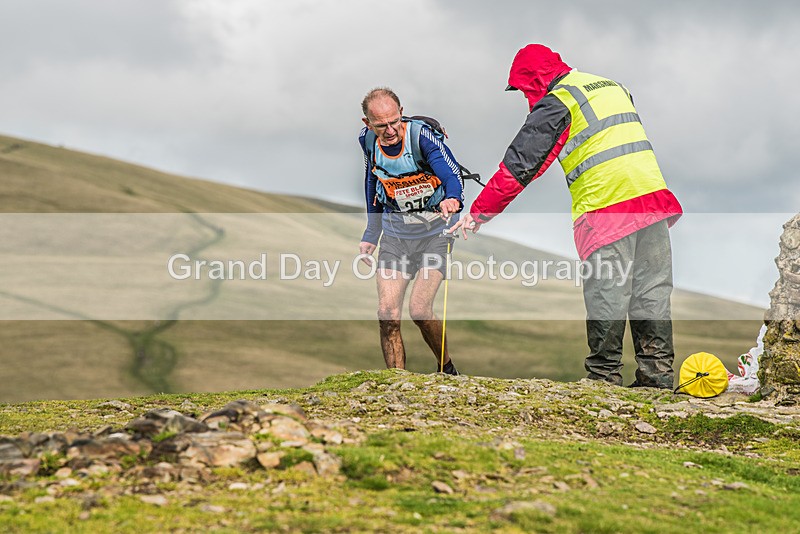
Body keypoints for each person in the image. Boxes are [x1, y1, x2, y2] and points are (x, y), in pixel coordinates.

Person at [450, 44, 683, 389]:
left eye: (523, 90)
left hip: (606, 204)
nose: (525, 98)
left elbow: (521, 164)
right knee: (651, 292)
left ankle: (604, 379)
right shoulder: (612, 86)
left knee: (607, 292)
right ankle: (656, 378)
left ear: (532, 80)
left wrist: (479, 212)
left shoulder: (558, 100)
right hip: (652, 199)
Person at [358, 87, 464, 375]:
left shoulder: (421, 137)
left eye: (394, 121)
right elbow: (372, 183)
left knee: (419, 310)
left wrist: (453, 198)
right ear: (368, 123)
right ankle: (397, 382)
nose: (390, 130)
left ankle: (447, 369)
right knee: (387, 314)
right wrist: (371, 234)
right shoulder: (368, 141)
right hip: (396, 234)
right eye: (381, 125)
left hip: (435, 233)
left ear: (401, 113)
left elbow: (451, 173)